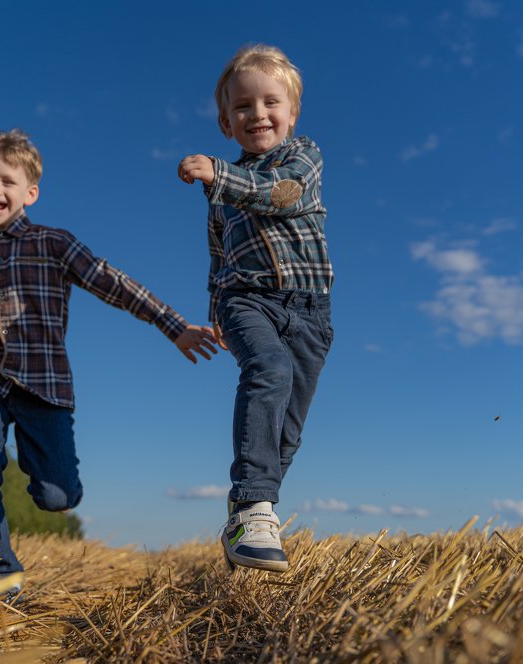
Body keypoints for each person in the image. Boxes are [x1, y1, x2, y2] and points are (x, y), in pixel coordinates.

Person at [0, 129, 218, 586]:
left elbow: (112, 282)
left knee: (56, 497)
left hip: (44, 384)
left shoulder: (54, 243)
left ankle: (41, 459)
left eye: (7, 181)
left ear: (31, 193)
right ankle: (0, 571)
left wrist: (173, 325)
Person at [178, 45, 334, 572]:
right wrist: (216, 306)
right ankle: (251, 506)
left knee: (287, 431)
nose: (258, 114)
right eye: (243, 106)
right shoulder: (219, 190)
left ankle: (251, 508)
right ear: (226, 122)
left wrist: (220, 176)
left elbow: (281, 194)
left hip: (311, 310)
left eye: (271, 103)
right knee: (267, 369)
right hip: (248, 301)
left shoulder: (304, 157)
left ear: (292, 115)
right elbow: (219, 253)